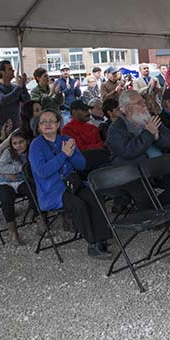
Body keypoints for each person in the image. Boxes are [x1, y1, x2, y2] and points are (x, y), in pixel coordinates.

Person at [29, 110, 112, 258]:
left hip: (72, 183)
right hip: (52, 190)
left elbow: (81, 165)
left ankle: (101, 238)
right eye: (44, 122)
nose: (48, 124)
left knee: (94, 196)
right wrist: (63, 155)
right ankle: (92, 244)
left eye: (52, 121)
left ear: (58, 123)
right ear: (39, 127)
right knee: (78, 204)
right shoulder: (36, 146)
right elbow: (43, 171)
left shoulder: (65, 139)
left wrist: (72, 154)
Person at [106, 90, 170, 209]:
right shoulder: (116, 129)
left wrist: (157, 136)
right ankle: (157, 213)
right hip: (132, 172)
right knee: (147, 201)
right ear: (127, 109)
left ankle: (165, 211)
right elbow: (128, 152)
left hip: (159, 167)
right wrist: (148, 133)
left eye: (143, 101)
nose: (144, 105)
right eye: (139, 103)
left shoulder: (150, 119)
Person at [0, 130, 35, 245]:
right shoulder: (8, 152)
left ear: (27, 141)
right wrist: (19, 169)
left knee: (33, 191)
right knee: (6, 198)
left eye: (21, 142)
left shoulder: (31, 151)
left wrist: (16, 171)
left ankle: (40, 220)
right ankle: (12, 231)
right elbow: (1, 167)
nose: (18, 146)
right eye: (15, 143)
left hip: (22, 181)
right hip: (5, 182)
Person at [0, 100, 42, 164]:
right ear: (28, 113)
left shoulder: (47, 130)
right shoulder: (18, 132)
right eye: (37, 110)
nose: (42, 113)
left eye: (41, 109)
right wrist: (4, 169)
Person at [0, 60, 31, 130]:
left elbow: (27, 100)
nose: (13, 71)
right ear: (2, 72)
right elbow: (4, 100)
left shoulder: (15, 87)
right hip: (1, 127)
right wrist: (19, 87)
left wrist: (23, 86)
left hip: (16, 125)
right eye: (10, 69)